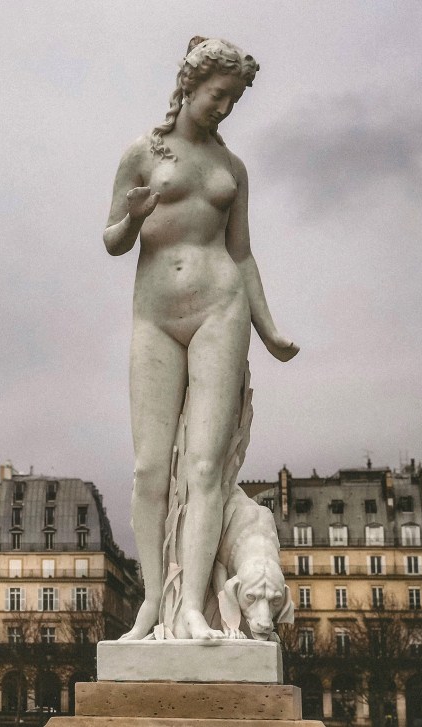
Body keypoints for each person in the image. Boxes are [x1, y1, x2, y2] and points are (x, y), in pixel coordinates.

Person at [103, 37, 298, 640]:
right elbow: (112, 241)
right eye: (219, 96)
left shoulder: (232, 168)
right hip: (155, 315)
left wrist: (268, 330)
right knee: (148, 470)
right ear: (190, 85)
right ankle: (150, 602)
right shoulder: (143, 150)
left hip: (221, 308)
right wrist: (134, 215)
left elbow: (240, 252)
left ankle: (190, 603)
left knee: (207, 468)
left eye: (233, 101)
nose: (225, 109)